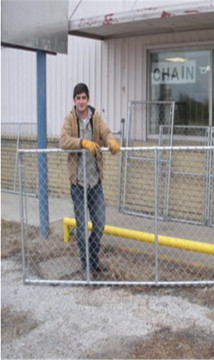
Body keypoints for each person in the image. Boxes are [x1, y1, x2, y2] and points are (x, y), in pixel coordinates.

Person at [59, 83, 120, 275]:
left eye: (84, 97)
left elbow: (105, 132)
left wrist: (110, 140)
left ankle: (93, 260)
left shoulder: (95, 117)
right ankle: (86, 267)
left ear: (88, 99)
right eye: (78, 98)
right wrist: (82, 143)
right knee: (81, 226)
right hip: (78, 182)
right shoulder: (70, 118)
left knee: (99, 223)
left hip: (94, 181)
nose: (81, 101)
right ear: (74, 100)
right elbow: (62, 140)